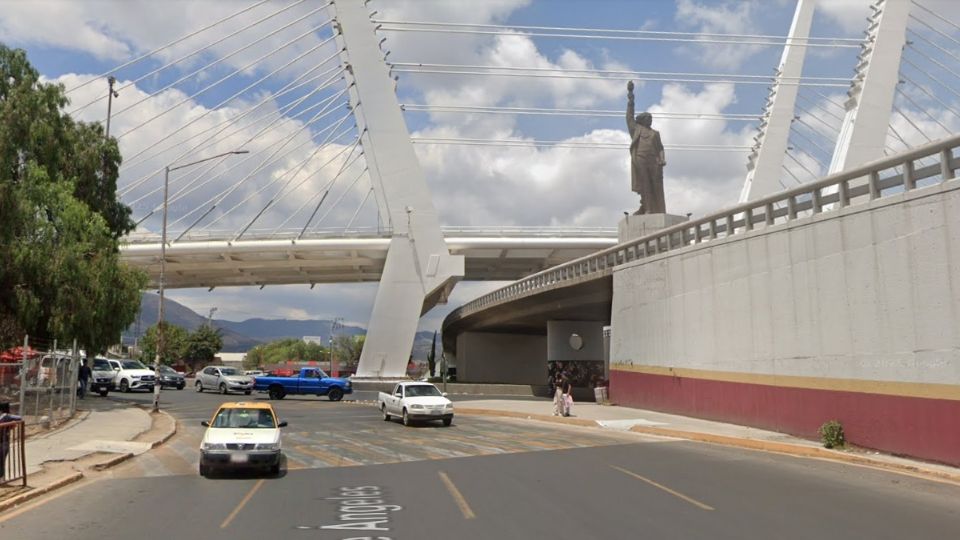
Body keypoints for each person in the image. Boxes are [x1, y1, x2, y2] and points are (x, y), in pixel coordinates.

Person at [626, 80, 667, 214]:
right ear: (642, 120)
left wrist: (662, 159)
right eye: (648, 118)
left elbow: (660, 148)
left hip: (654, 161)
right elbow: (629, 117)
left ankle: (658, 208)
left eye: (651, 118)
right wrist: (631, 97)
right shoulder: (636, 129)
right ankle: (647, 208)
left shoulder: (655, 133)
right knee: (645, 185)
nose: (650, 120)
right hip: (641, 159)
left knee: (656, 185)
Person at [1, 402, 22, 480]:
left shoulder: (6, 416)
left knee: (1, 461)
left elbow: (19, 418)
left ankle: (2, 478)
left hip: (3, 442)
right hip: (4, 442)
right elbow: (19, 418)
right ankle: (2, 478)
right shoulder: (7, 416)